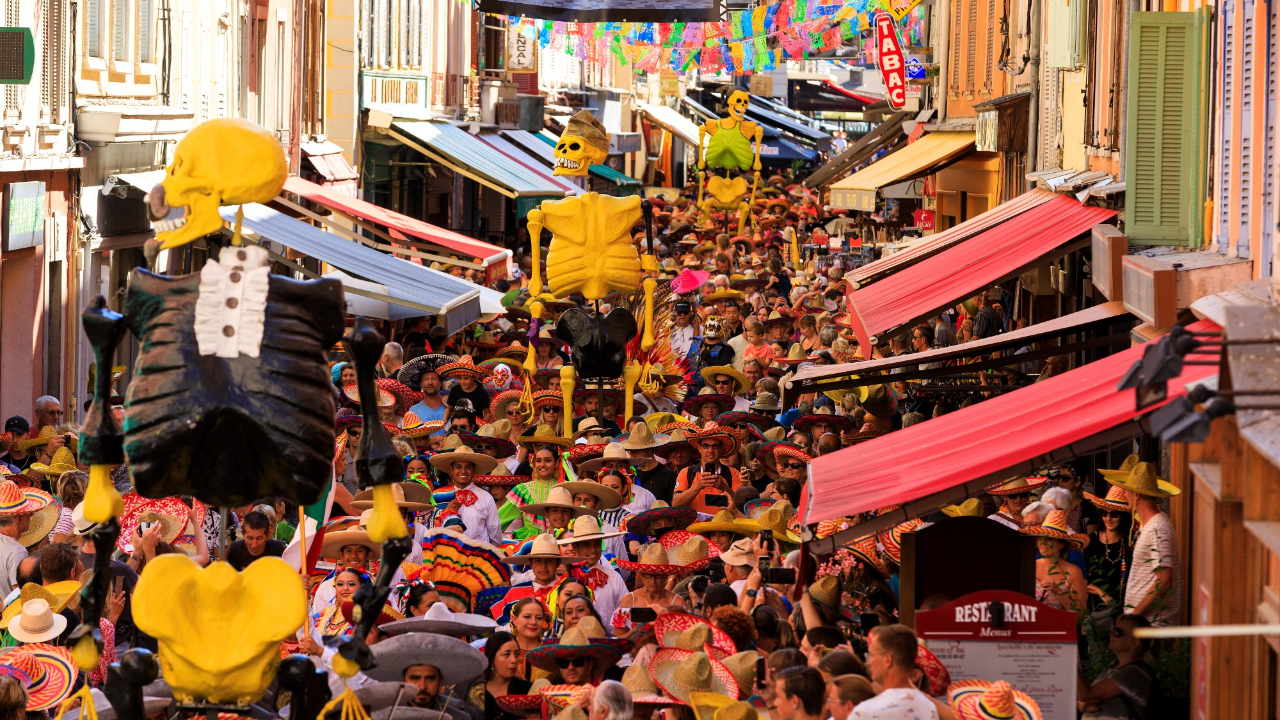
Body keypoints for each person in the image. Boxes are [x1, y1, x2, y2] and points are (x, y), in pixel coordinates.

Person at [1113, 463, 1181, 626]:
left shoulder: (1157, 528)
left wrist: (1133, 617)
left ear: (1136, 494)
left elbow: (1164, 581)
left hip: (1151, 624)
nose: (1124, 494)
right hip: (1145, 623)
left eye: (1127, 490)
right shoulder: (1150, 525)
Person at [367, 632, 487, 720]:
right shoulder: (383, 715)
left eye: (430, 678)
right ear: (403, 679)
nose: (422, 686)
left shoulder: (458, 717)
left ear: (440, 679)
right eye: (415, 678)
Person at [1078, 614, 1161, 719]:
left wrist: (1069, 660)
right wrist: (1083, 704)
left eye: (1118, 632)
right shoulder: (1113, 667)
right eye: (1113, 629)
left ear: (1134, 643)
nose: (1111, 634)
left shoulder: (1135, 672)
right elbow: (1086, 698)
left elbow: (1086, 694)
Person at [851, 625, 938, 719]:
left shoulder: (865, 712)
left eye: (871, 655)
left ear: (887, 660)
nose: (868, 663)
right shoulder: (929, 708)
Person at [429, 445, 503, 544]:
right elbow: (430, 529)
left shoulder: (486, 498)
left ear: (474, 470)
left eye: (468, 467)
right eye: (458, 467)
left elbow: (495, 534)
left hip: (477, 556)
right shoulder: (438, 496)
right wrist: (447, 512)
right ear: (451, 470)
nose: (463, 471)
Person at [1023, 510, 1089, 616]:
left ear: (1062, 543)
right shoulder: (1029, 566)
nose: (1043, 542)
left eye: (1049, 539)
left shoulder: (1073, 572)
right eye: (1040, 538)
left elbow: (1081, 614)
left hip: (1061, 629)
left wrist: (1059, 592)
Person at [1083, 485, 1133, 614]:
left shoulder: (1129, 542)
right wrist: (1100, 592)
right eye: (1104, 513)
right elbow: (1081, 578)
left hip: (1124, 608)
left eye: (1114, 514)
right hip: (1098, 609)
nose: (1108, 518)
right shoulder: (1092, 541)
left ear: (1123, 517)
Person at [672, 427, 741, 514]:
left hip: (724, 526)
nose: (710, 450)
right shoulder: (686, 473)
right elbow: (675, 503)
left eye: (715, 446)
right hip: (694, 527)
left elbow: (741, 506)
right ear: (699, 448)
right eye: (705, 446)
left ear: (721, 449)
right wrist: (698, 486)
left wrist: (724, 487)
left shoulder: (733, 473)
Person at [483, 631, 532, 720]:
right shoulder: (476, 691)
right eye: (506, 654)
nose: (514, 660)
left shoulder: (526, 690)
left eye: (517, 654)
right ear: (492, 659)